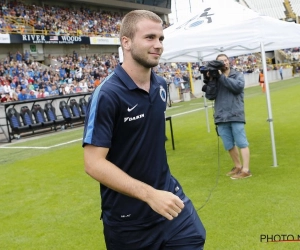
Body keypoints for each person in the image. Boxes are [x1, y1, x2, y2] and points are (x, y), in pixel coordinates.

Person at [82, 10, 206, 250]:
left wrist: (161, 189)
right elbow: (93, 163)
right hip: (129, 220)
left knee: (194, 238)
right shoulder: (108, 94)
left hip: (170, 200)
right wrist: (149, 195)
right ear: (126, 42)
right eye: (150, 38)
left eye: (161, 39)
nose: (158, 45)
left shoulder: (160, 84)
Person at [205, 54, 251, 179]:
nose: (224, 63)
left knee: (242, 142)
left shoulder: (237, 75)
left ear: (229, 62)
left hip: (235, 114)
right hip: (221, 116)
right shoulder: (216, 78)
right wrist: (210, 80)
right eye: (221, 61)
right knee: (228, 144)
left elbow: (237, 87)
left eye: (225, 60)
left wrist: (219, 77)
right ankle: (238, 166)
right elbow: (210, 96)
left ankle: (246, 170)